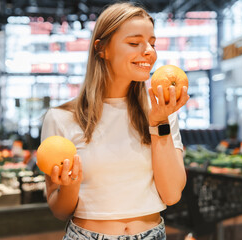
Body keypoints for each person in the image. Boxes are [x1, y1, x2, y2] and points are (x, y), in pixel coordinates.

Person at [41, 2, 189, 239]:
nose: (149, 51)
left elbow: (171, 194)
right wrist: (70, 184)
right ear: (102, 49)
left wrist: (158, 123)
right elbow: (60, 210)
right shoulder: (61, 118)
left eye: (152, 43)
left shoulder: (161, 111)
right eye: (134, 43)